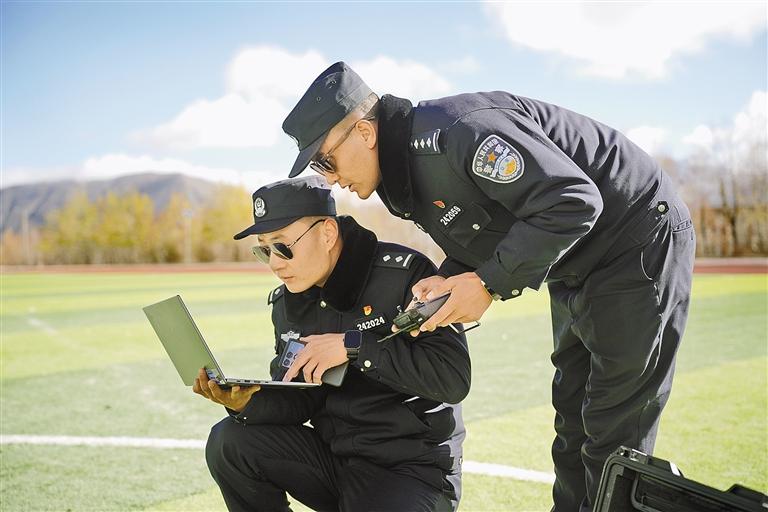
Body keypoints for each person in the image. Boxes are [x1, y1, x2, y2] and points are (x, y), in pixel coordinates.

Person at [282, 62, 696, 512]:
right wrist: (452, 274)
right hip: (574, 263)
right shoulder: (403, 175)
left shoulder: (461, 133)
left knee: (614, 427)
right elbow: (484, 231)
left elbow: (573, 201)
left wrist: (487, 284)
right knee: (573, 421)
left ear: (364, 132)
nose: (328, 177)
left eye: (325, 160)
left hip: (634, 238)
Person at [195, 175, 470, 512]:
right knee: (230, 441)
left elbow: (452, 379)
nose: (275, 263)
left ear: (327, 233)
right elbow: (301, 397)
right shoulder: (288, 302)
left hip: (411, 469)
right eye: (264, 250)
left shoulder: (407, 276)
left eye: (282, 246)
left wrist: (354, 347)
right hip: (336, 461)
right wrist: (245, 403)